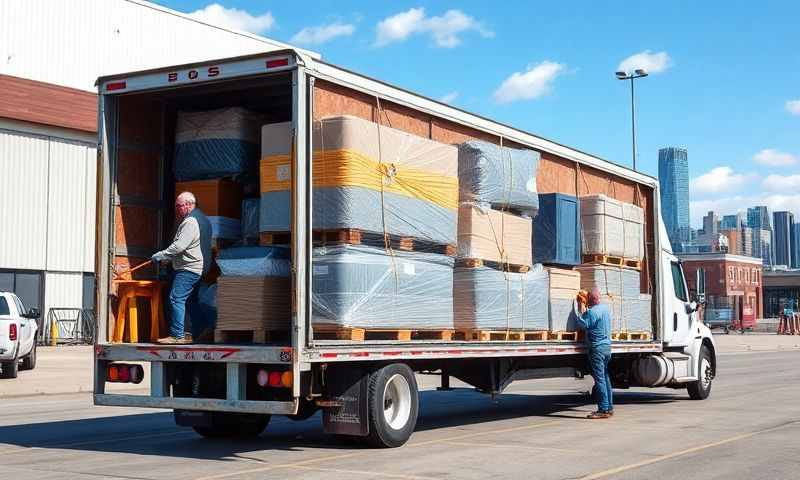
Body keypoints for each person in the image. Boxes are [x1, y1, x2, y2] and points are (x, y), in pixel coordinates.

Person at [151, 192, 212, 344]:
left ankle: (177, 336)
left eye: (179, 206)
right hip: (199, 268)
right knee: (191, 301)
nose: (177, 209)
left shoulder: (190, 221)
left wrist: (162, 254)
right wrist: (170, 258)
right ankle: (203, 330)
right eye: (177, 206)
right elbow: (191, 246)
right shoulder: (204, 219)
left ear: (189, 204)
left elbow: (180, 246)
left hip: (188, 268)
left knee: (176, 297)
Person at [576, 288, 614, 419]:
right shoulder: (605, 309)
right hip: (607, 348)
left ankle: (603, 409)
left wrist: (578, 309)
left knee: (599, 379)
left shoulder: (592, 312)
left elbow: (583, 324)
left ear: (590, 300)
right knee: (605, 377)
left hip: (597, 348)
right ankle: (609, 407)